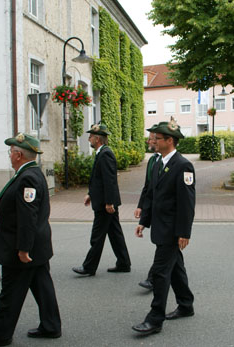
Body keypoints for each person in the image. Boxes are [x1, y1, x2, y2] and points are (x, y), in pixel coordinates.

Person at [0, 133, 61, 347]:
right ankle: (51, 326)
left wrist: (23, 249)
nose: (9, 155)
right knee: (43, 287)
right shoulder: (31, 173)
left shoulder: (28, 177)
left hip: (22, 248)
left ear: (17, 155)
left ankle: (0, 335)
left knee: (10, 293)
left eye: (10, 152)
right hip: (37, 246)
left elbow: (27, 217)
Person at [132, 119, 195, 335]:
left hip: (171, 231)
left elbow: (187, 204)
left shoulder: (183, 165)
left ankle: (155, 319)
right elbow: (152, 195)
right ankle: (186, 304)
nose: (153, 142)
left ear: (170, 140)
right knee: (176, 269)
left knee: (160, 273)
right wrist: (143, 221)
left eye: (157, 139)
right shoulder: (158, 163)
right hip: (160, 227)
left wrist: (184, 233)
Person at [72, 122, 131, 276]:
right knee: (114, 233)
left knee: (97, 236)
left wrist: (109, 202)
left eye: (90, 137)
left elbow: (109, 180)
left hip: (106, 204)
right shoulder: (101, 153)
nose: (89, 139)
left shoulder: (105, 154)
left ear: (97, 139)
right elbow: (98, 180)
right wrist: (90, 194)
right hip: (104, 201)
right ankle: (124, 263)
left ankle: (89, 267)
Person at [134, 126, 160, 291]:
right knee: (172, 258)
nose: (148, 141)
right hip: (154, 211)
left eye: (151, 139)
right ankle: (185, 301)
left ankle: (152, 279)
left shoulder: (177, 163)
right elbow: (147, 187)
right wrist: (140, 206)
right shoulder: (152, 160)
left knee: (165, 253)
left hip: (166, 218)